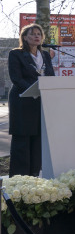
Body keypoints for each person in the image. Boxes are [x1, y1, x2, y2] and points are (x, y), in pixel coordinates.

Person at [8, 23, 55, 176]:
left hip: (41, 102)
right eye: (33, 34)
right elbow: (16, 78)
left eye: (39, 34)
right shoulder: (15, 54)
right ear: (25, 38)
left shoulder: (46, 55)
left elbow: (50, 76)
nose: (37, 36)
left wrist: (46, 88)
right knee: (22, 139)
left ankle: (34, 176)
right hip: (22, 100)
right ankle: (19, 179)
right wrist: (34, 88)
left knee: (37, 140)